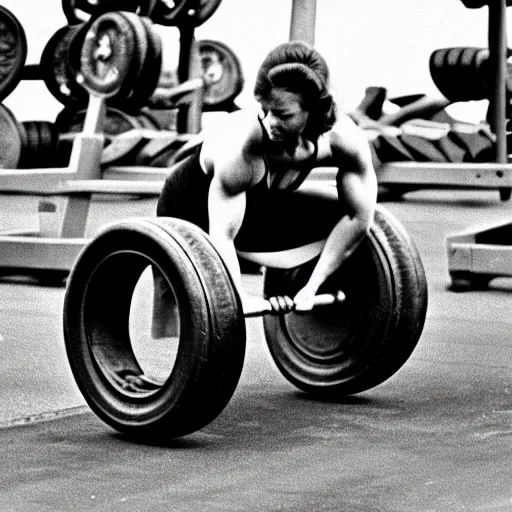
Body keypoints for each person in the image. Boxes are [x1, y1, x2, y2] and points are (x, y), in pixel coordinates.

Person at [153, 40, 377, 335]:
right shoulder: (244, 145)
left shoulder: (345, 139)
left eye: (283, 115)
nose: (270, 122)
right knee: (194, 324)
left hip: (259, 201)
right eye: (265, 110)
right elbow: (222, 234)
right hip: (191, 202)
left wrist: (312, 286)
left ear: (313, 110)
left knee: (343, 210)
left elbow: (358, 217)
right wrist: (238, 297)